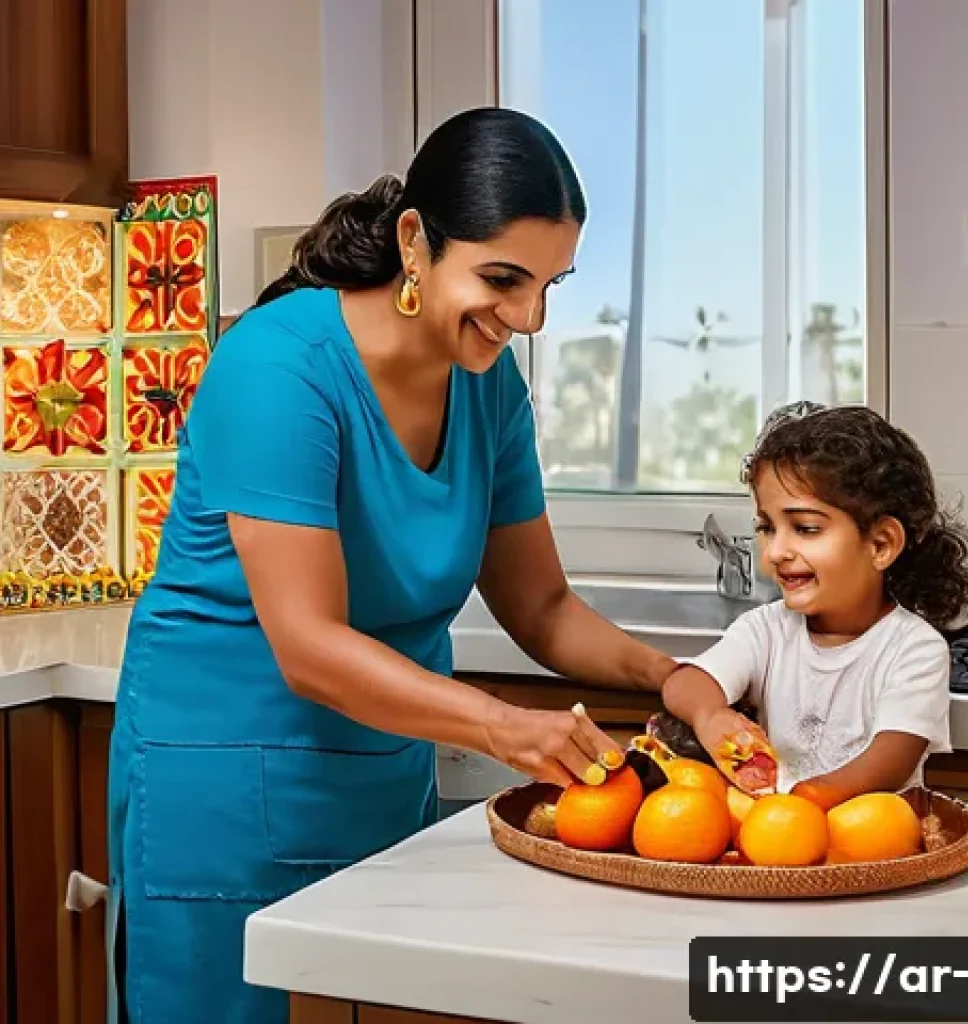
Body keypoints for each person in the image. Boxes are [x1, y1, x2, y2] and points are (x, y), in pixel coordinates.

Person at [106, 107, 681, 1024]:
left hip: (379, 775)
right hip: (222, 785)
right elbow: (309, 646)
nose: (527, 317)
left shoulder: (489, 387)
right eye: (502, 278)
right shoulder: (278, 367)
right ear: (416, 240)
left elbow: (541, 607)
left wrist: (675, 678)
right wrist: (506, 728)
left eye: (550, 285)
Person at [663, 402, 968, 809]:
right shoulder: (766, 629)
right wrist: (710, 715)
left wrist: (805, 802)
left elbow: (890, 760)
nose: (777, 550)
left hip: (868, 846)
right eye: (767, 527)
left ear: (881, 544)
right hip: (777, 840)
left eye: (805, 529)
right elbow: (683, 684)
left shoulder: (914, 648)